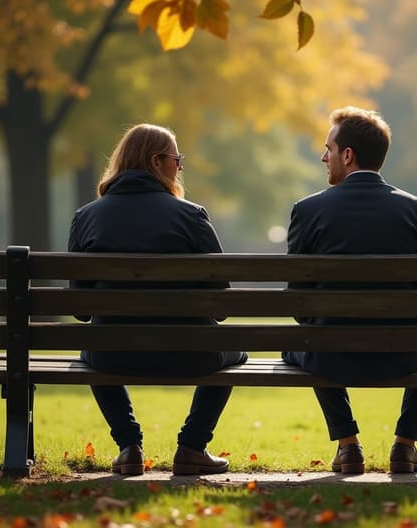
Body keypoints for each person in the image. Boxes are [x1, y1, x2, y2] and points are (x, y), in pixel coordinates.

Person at [68, 123, 247, 476]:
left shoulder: (86, 217)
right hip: (190, 355)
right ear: (155, 161)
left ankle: (129, 446)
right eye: (176, 159)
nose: (179, 167)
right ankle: (193, 446)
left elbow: (80, 311)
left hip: (112, 354)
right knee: (235, 349)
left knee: (91, 347)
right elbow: (222, 304)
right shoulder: (191, 216)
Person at [282, 106, 417, 474]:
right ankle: (405, 445)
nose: (324, 157)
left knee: (307, 336)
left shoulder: (307, 211)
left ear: (348, 155)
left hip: (330, 355)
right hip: (403, 355)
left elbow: (298, 303)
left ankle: (347, 444)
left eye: (329, 149)